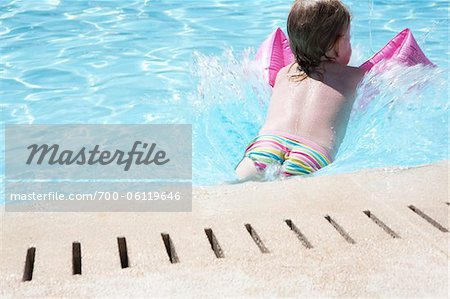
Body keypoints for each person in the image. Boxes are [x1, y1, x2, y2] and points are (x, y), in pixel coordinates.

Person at [235, 0, 365, 181]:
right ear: (336, 43)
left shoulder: (283, 72)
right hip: (311, 154)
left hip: (266, 145)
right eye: (348, 39)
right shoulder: (355, 76)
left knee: (237, 186)